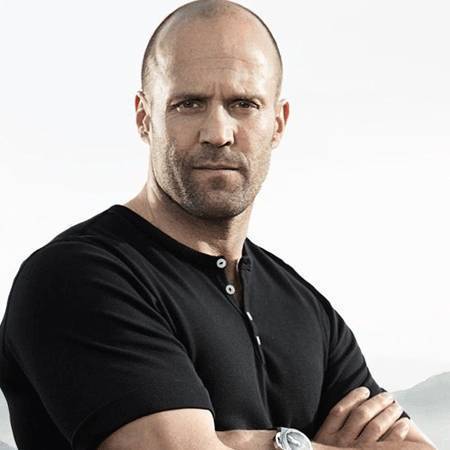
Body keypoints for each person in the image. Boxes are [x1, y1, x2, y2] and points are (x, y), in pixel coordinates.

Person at [0, 1, 436, 449]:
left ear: (278, 123)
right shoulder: (78, 277)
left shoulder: (307, 309)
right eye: (189, 104)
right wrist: (298, 443)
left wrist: (257, 444)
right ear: (144, 117)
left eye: (243, 104)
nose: (218, 132)